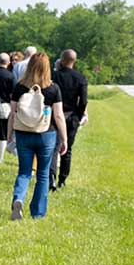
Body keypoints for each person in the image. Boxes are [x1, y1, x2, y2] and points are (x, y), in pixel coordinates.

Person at [6, 51, 68, 221]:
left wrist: (9, 135)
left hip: (23, 133)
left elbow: (12, 114)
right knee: (42, 173)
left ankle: (18, 199)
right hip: (46, 135)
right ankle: (37, 213)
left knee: (24, 172)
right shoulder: (53, 88)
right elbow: (58, 116)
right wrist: (64, 139)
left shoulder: (19, 87)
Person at [49, 49, 89, 191]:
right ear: (74, 61)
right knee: (67, 149)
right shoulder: (80, 78)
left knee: (53, 147)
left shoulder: (54, 75)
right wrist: (79, 115)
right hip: (72, 115)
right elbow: (83, 101)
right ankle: (62, 179)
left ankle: (51, 176)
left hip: (54, 115)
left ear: (62, 60)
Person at [0, 52, 15, 163]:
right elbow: (12, 94)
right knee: (2, 134)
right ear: (8, 62)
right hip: (5, 106)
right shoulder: (10, 76)